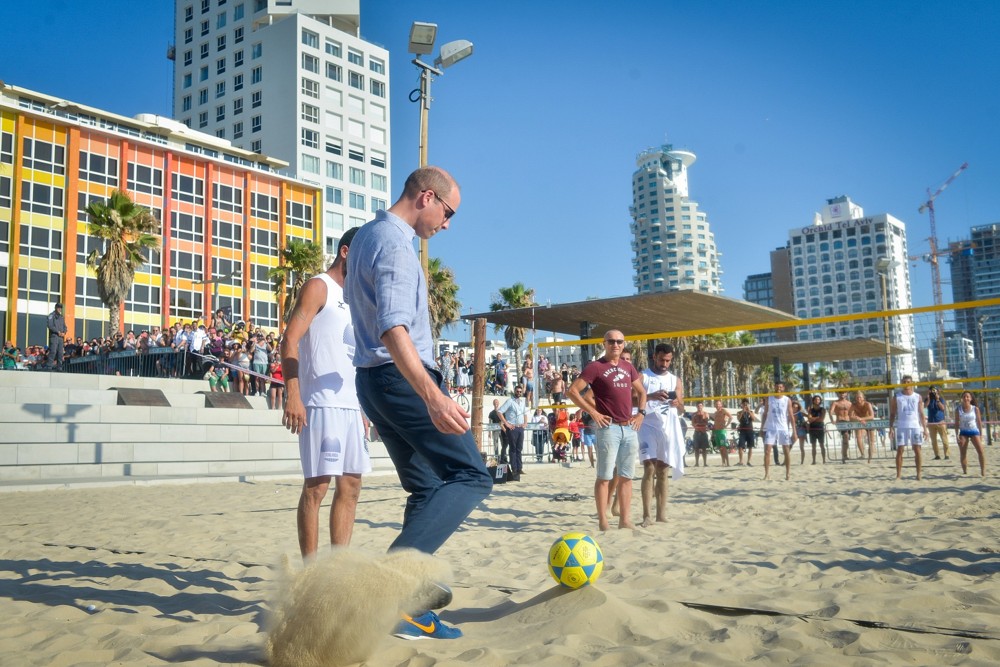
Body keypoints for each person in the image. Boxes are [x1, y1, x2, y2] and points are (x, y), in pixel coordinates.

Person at [345, 166, 492, 640]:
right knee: (471, 475)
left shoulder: (366, 235)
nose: (446, 224)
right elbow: (393, 328)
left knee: (426, 489)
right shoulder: (394, 243)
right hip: (401, 378)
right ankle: (389, 589)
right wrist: (431, 395)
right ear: (427, 197)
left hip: (373, 380)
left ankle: (408, 604)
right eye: (448, 212)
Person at [281, 226, 371, 558]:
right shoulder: (319, 287)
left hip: (351, 406)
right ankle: (310, 572)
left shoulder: (357, 298)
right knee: (317, 488)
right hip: (320, 404)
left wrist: (363, 409)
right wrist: (294, 394)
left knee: (351, 488)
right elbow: (289, 340)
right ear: (346, 252)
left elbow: (356, 359)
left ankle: (337, 571)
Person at [567, 329, 647, 532]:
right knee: (604, 477)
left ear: (623, 343)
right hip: (607, 427)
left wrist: (641, 414)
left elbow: (642, 392)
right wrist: (593, 413)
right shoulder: (596, 367)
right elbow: (573, 391)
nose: (616, 345)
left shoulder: (628, 367)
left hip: (628, 427)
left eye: (619, 341)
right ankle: (603, 520)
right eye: (611, 341)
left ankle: (625, 519)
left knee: (627, 477)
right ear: (604, 343)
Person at [637, 343, 685, 527]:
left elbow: (681, 409)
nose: (665, 363)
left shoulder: (675, 380)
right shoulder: (644, 376)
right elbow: (631, 399)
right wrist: (650, 396)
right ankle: (646, 515)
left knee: (663, 471)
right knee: (649, 467)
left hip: (667, 426)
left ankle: (661, 515)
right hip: (647, 424)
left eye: (668, 360)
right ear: (654, 357)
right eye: (662, 359)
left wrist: (677, 403)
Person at [889, 375, 927, 481]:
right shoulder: (897, 396)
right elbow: (892, 413)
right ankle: (898, 475)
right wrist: (891, 427)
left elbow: (921, 414)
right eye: (904, 382)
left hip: (915, 425)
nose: (906, 384)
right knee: (900, 450)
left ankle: (919, 474)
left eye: (908, 382)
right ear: (902, 383)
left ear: (912, 383)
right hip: (902, 426)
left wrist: (925, 429)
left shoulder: (917, 396)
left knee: (917, 450)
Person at [761, 381, 794, 481]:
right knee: (767, 451)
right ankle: (767, 474)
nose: (778, 388)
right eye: (776, 386)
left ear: (783, 388)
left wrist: (794, 431)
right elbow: (765, 414)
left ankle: (788, 474)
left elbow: (791, 416)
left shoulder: (787, 400)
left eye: (780, 387)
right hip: (771, 428)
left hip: (783, 428)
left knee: (786, 451)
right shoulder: (769, 398)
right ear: (774, 387)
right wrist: (762, 428)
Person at [497, 384, 529, 480]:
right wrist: (506, 423)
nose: (519, 393)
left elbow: (525, 413)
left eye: (520, 391)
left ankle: (519, 468)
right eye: (517, 391)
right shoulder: (510, 401)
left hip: (520, 427)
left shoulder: (522, 402)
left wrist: (525, 423)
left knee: (519, 448)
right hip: (512, 427)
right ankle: (514, 468)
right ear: (514, 391)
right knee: (513, 448)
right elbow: (499, 412)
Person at [954, 391, 986, 477]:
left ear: (971, 398)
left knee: (981, 451)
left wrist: (981, 434)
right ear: (962, 398)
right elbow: (956, 423)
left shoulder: (975, 409)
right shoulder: (958, 409)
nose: (966, 398)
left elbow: (979, 422)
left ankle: (983, 471)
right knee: (963, 452)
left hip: (974, 431)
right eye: (964, 397)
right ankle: (965, 471)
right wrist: (957, 435)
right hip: (963, 432)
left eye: (967, 397)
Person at [849, 390, 876, 463]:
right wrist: (857, 418)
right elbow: (850, 415)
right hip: (860, 422)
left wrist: (861, 419)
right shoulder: (853, 405)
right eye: (857, 398)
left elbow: (872, 416)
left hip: (869, 421)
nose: (858, 399)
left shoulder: (867, 404)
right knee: (858, 437)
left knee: (871, 440)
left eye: (860, 397)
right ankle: (862, 454)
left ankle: (870, 457)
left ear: (863, 398)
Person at [925, 386, 951, 461]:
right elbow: (925, 406)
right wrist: (929, 398)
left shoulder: (940, 399)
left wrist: (937, 399)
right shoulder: (928, 399)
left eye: (934, 391)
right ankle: (937, 455)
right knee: (933, 441)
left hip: (940, 422)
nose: (933, 392)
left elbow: (942, 408)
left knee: (944, 439)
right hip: (931, 422)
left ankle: (947, 455)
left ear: (937, 391)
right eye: (931, 391)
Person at [831, 392, 854, 463]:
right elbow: (830, 412)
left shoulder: (849, 403)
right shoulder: (835, 403)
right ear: (838, 394)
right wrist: (832, 420)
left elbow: (852, 413)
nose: (842, 394)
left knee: (846, 439)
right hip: (841, 421)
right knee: (845, 436)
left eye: (843, 393)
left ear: (846, 394)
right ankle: (844, 456)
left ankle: (844, 454)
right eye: (840, 393)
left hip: (848, 421)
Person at [807, 394, 828, 464]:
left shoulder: (823, 409)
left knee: (822, 445)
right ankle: (814, 461)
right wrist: (816, 418)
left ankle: (824, 460)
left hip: (820, 428)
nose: (817, 401)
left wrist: (813, 418)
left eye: (818, 399)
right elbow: (809, 419)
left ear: (820, 401)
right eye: (816, 399)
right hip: (812, 429)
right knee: (813, 446)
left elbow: (821, 419)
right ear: (813, 401)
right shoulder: (810, 410)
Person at [736, 399, 757, 465]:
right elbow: (739, 419)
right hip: (742, 431)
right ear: (741, 405)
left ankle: (748, 461)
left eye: (746, 404)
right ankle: (741, 461)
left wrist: (749, 411)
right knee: (740, 446)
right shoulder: (739, 412)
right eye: (744, 404)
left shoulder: (751, 412)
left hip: (750, 430)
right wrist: (743, 411)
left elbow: (753, 419)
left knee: (750, 447)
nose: (745, 405)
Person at [46, 302, 67, 370]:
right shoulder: (51, 315)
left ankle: (59, 367)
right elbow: (50, 325)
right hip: (54, 336)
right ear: (55, 308)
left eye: (60, 308)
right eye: (58, 307)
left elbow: (65, 326)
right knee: (53, 351)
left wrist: (64, 332)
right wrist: (57, 332)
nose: (59, 309)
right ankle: (49, 366)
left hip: (61, 337)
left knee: (60, 353)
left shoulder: (61, 317)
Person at [488, 398, 508, 463]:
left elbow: (505, 420)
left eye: (497, 402)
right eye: (495, 402)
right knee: (495, 444)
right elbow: (490, 423)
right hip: (495, 430)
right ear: (493, 404)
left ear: (498, 403)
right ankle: (496, 458)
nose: (496, 404)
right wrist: (489, 432)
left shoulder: (502, 412)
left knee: (503, 444)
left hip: (502, 430)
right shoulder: (491, 413)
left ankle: (504, 457)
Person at [712, 400, 732, 466]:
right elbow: (715, 423)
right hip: (716, 431)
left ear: (721, 405)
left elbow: (730, 417)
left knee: (724, 447)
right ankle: (723, 462)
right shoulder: (715, 413)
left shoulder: (723, 410)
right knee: (720, 448)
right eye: (716, 404)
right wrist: (713, 431)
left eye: (719, 404)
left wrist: (727, 425)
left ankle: (728, 463)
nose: (718, 405)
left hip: (722, 431)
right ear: (715, 406)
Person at [690, 402, 711, 467]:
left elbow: (706, 423)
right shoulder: (694, 414)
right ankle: (697, 463)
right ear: (696, 407)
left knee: (704, 449)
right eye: (698, 406)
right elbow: (693, 424)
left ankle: (705, 463)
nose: (699, 407)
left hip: (703, 432)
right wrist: (698, 424)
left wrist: (699, 423)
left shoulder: (706, 414)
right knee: (696, 448)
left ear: (702, 406)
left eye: (701, 406)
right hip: (697, 432)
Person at [791, 400, 808, 465]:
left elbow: (809, 416)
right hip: (795, 430)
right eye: (794, 407)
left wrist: (805, 422)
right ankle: (785, 461)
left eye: (796, 407)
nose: (795, 408)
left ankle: (802, 462)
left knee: (801, 447)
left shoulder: (800, 413)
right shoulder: (790, 413)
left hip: (801, 430)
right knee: (790, 444)